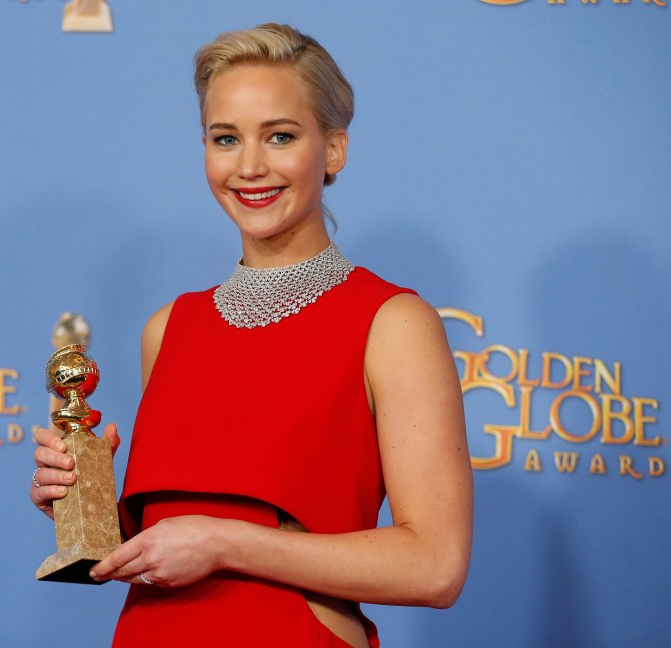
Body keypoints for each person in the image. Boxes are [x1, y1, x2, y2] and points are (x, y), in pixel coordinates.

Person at [30, 23, 472, 648]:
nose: (249, 166)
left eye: (281, 136)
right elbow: (165, 546)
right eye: (225, 139)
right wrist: (79, 508)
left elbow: (436, 565)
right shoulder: (169, 328)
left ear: (335, 150)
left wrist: (222, 542)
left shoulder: (392, 323)